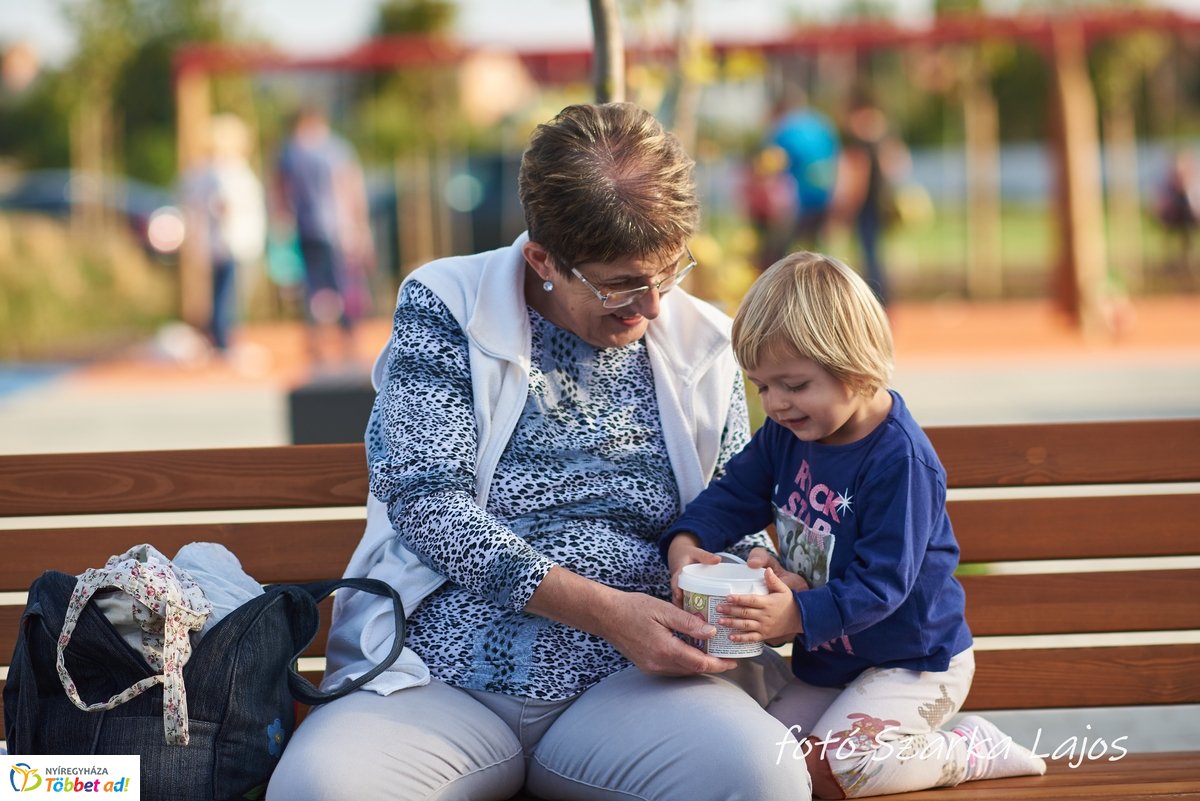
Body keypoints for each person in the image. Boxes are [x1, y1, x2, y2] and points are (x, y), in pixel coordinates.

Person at [266, 102, 811, 801]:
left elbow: (733, 509)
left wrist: (742, 562)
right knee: (318, 788)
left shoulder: (702, 338)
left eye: (667, 272)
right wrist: (609, 611)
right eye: (619, 284)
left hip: (635, 687)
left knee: (759, 775)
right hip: (442, 682)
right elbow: (429, 508)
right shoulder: (447, 306)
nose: (650, 307)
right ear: (542, 258)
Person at [661, 252, 1048, 798]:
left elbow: (883, 584)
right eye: (760, 386)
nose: (774, 405)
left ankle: (967, 747)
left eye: (793, 385)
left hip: (914, 663)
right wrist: (687, 542)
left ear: (855, 366)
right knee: (772, 761)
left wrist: (795, 614)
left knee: (844, 771)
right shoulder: (790, 433)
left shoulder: (900, 462)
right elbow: (735, 493)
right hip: (836, 662)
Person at [274, 106, 374, 367]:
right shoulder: (336, 149)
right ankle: (348, 339)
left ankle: (315, 340)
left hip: (305, 227)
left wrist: (282, 218)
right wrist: (359, 225)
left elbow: (281, 189)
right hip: (337, 228)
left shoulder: (290, 151)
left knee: (312, 285)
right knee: (344, 283)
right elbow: (350, 186)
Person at [183, 113, 267, 357]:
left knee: (221, 292)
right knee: (228, 294)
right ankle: (223, 341)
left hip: (217, 242)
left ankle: (219, 337)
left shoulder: (202, 170)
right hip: (233, 241)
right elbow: (224, 203)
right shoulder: (227, 169)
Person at [830, 89, 911, 307]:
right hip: (878, 203)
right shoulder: (882, 135)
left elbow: (858, 177)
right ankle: (882, 300)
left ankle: (876, 301)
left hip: (866, 206)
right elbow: (899, 164)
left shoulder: (860, 141)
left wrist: (845, 208)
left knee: (870, 256)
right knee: (875, 255)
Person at [768, 92, 840, 252]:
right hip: (824, 192)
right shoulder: (822, 124)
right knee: (816, 247)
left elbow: (773, 163)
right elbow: (836, 156)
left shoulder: (785, 130)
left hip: (797, 198)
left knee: (783, 246)